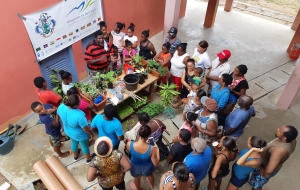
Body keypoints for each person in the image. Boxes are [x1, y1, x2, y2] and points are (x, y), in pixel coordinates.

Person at [249, 125, 298, 190]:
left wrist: (262, 174)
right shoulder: (292, 140)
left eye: (279, 131)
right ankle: (253, 182)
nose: (277, 129)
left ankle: (255, 185)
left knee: (257, 185)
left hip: (264, 168)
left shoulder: (278, 151)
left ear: (284, 138)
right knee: (255, 181)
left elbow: (268, 171)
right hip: (271, 163)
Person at [57, 94, 94, 164]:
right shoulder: (79, 115)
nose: (81, 101)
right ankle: (89, 159)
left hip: (68, 131)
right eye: (80, 101)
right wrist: (91, 134)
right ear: (76, 106)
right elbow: (86, 129)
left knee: (74, 143)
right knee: (85, 146)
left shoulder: (61, 107)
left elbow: (58, 114)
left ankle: (76, 156)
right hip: (79, 134)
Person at [126, 125, 160, 190]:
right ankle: (152, 186)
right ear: (148, 136)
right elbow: (156, 163)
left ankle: (137, 188)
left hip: (134, 165)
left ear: (139, 133)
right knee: (150, 175)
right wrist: (157, 150)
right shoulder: (152, 149)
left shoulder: (129, 144)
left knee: (136, 177)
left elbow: (130, 152)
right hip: (147, 167)